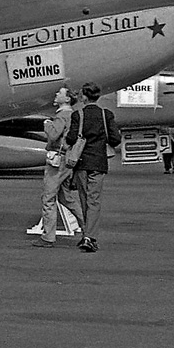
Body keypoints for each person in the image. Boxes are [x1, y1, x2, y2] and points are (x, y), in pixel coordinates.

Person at [64, 82, 122, 253]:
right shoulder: (106, 115)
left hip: (81, 162)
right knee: (94, 200)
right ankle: (90, 237)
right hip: (99, 162)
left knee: (84, 200)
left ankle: (86, 234)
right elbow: (115, 139)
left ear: (84, 97)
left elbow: (71, 138)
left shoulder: (78, 115)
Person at [34, 86, 80, 247]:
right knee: (66, 198)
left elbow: (54, 135)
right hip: (67, 160)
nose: (56, 94)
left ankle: (48, 237)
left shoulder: (61, 116)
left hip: (56, 161)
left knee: (48, 199)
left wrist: (47, 124)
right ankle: (88, 228)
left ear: (67, 99)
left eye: (59, 93)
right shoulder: (73, 115)